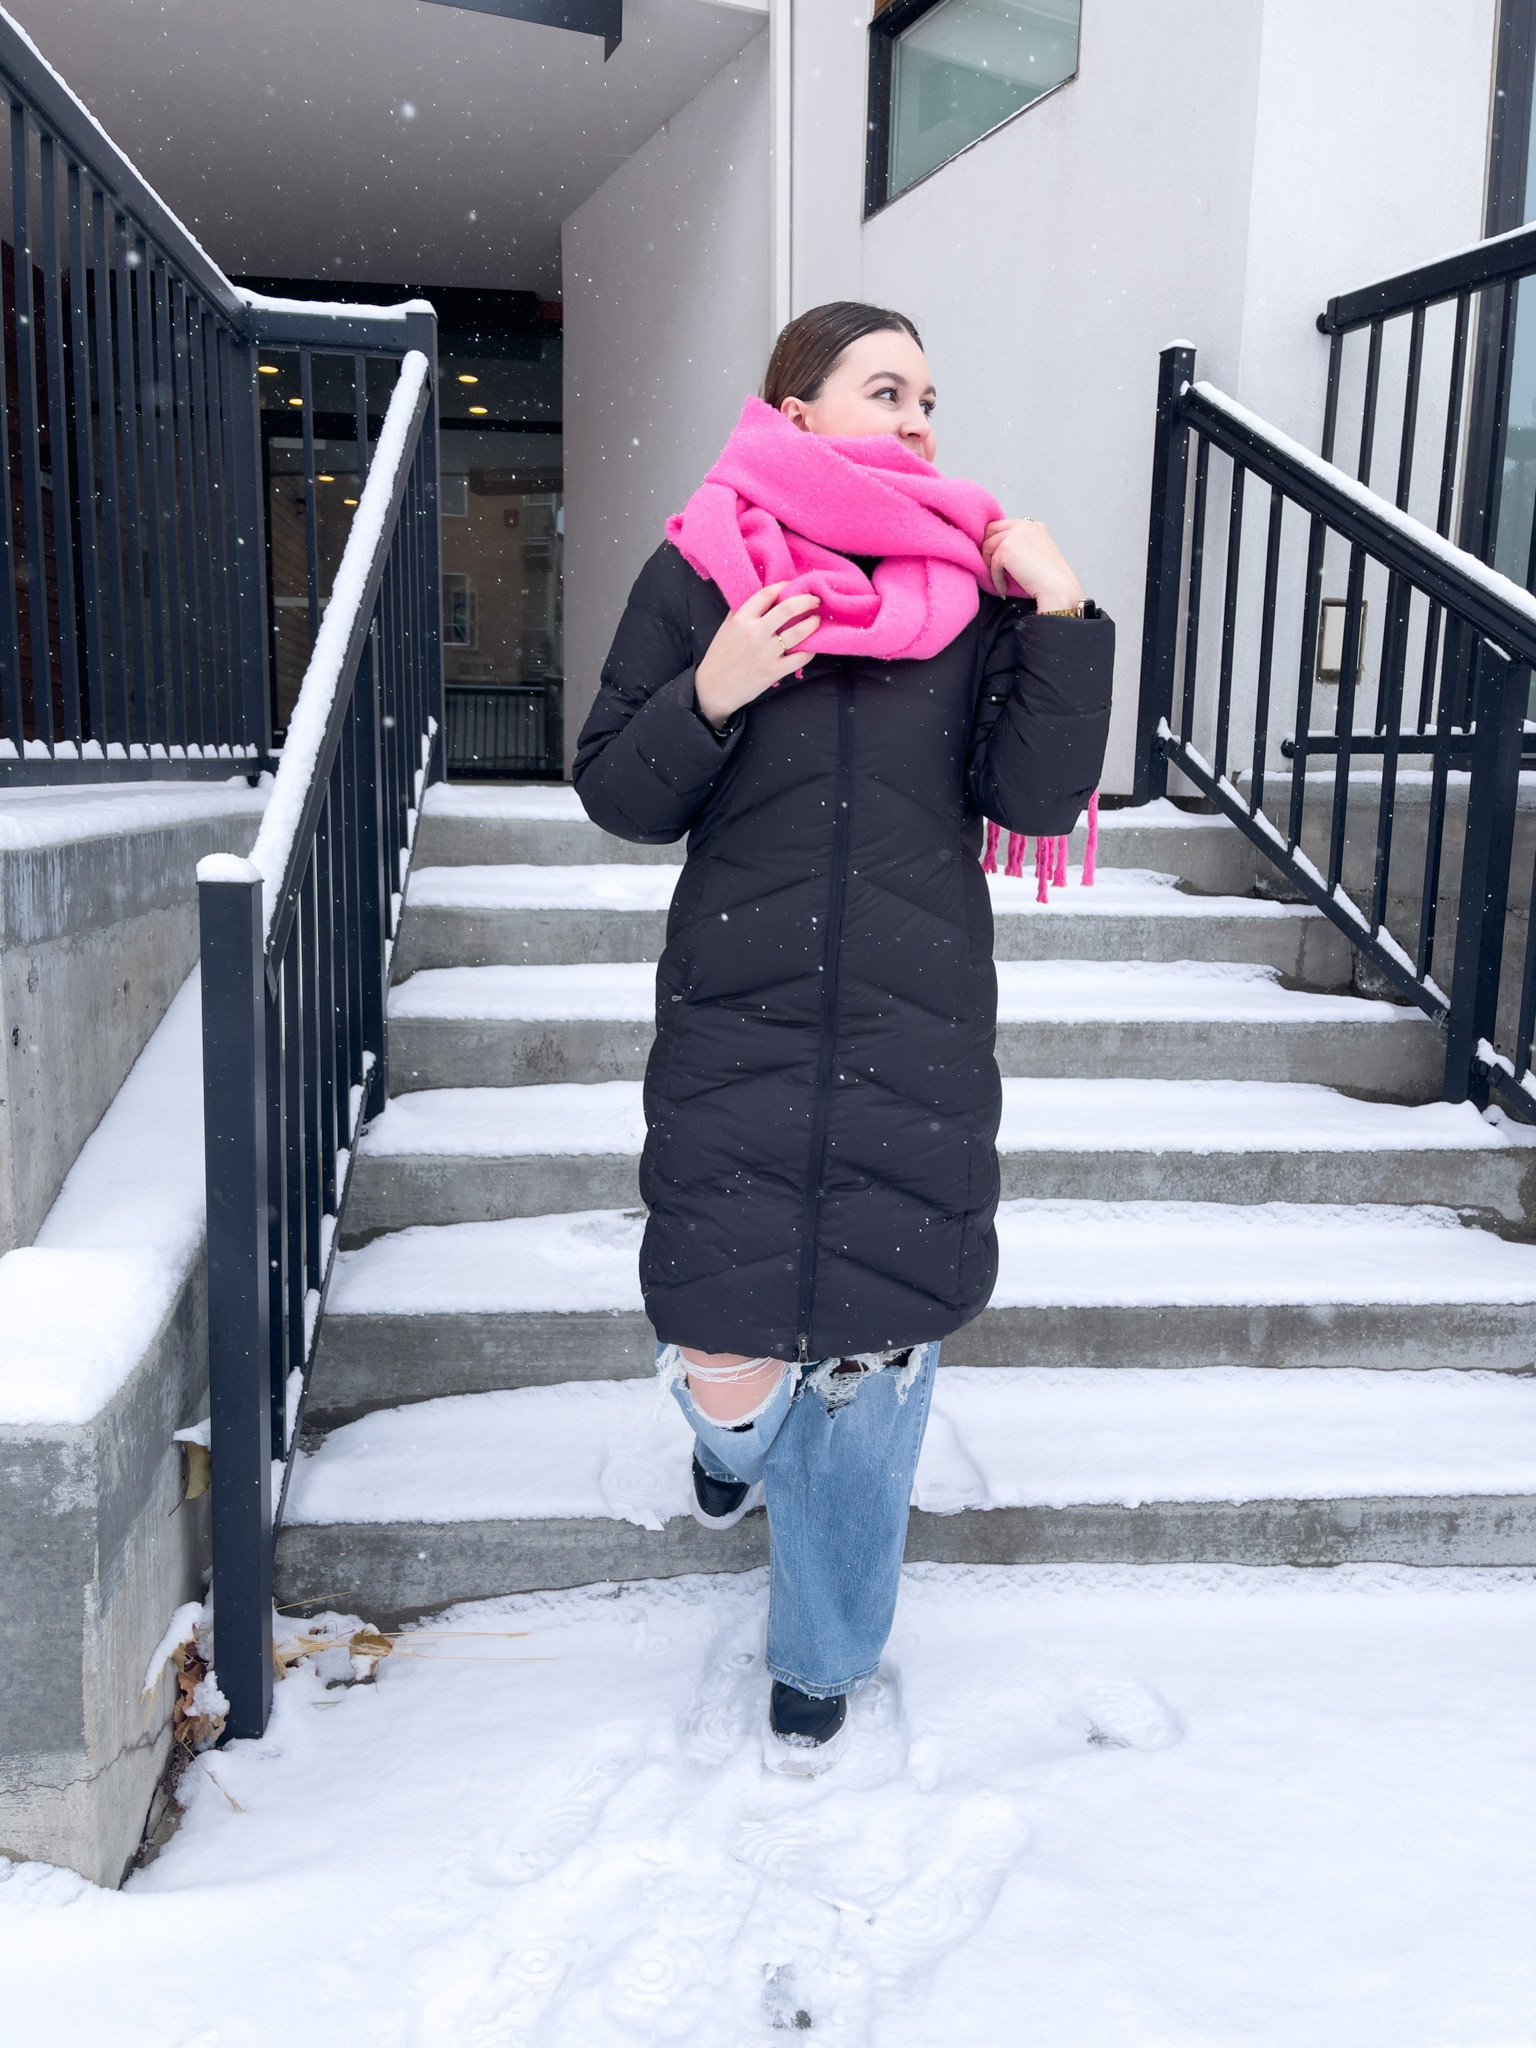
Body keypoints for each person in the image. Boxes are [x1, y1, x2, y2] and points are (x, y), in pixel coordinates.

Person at [573, 301, 1112, 1771]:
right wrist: (716, 687)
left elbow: (1036, 800)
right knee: (733, 1373)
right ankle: (726, 1449)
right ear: (797, 409)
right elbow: (619, 787)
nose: (924, 418)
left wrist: (1060, 617)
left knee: (872, 1389)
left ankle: (820, 1659)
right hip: (739, 1028)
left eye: (933, 394)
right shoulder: (703, 566)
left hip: (913, 1034)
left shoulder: (978, 583)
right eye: (889, 389)